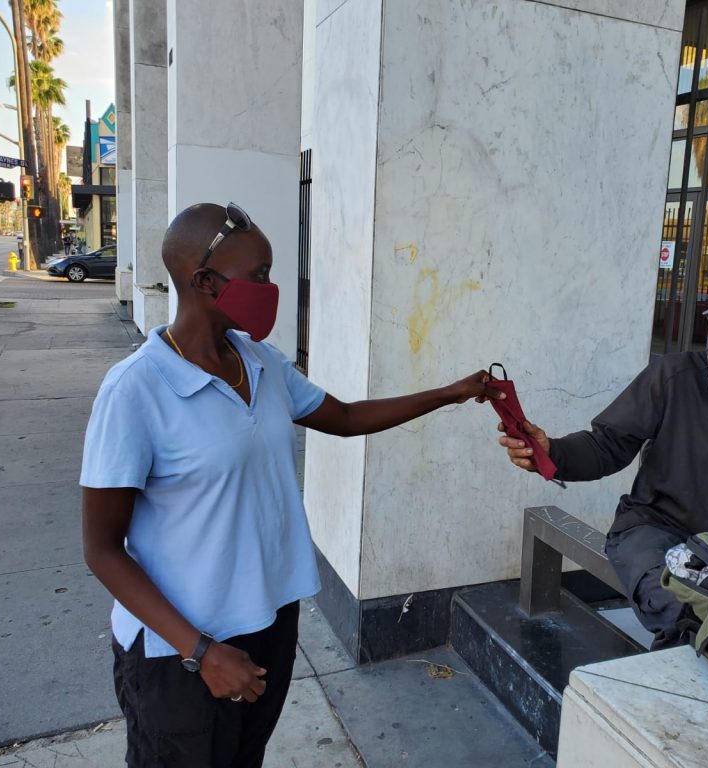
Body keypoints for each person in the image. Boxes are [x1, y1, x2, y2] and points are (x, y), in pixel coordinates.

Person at [81, 202, 502, 767]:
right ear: (205, 282)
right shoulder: (135, 390)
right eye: (259, 276)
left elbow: (347, 417)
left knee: (243, 758)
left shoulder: (260, 362)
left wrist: (447, 394)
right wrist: (201, 652)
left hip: (268, 622)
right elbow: (102, 550)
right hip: (180, 651)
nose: (271, 288)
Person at [497, 272, 708, 649]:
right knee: (680, 600)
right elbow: (608, 445)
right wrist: (552, 452)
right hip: (664, 532)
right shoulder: (674, 377)